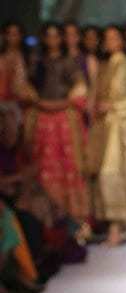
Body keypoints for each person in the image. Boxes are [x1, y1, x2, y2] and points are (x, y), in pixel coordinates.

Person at [23, 22, 89, 227]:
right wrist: (40, 103)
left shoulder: (68, 62)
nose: (52, 40)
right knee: (41, 165)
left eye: (56, 36)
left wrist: (61, 104)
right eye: (48, 36)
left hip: (63, 120)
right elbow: (27, 88)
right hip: (42, 120)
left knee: (67, 166)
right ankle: (44, 220)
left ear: (61, 39)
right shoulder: (37, 62)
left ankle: (72, 220)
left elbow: (79, 88)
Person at [86, 24, 126, 246]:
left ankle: (116, 226)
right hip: (102, 129)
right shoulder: (102, 67)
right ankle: (110, 226)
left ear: (121, 41)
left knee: (111, 174)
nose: (110, 41)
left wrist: (113, 106)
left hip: (119, 130)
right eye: (107, 37)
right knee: (101, 174)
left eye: (114, 37)